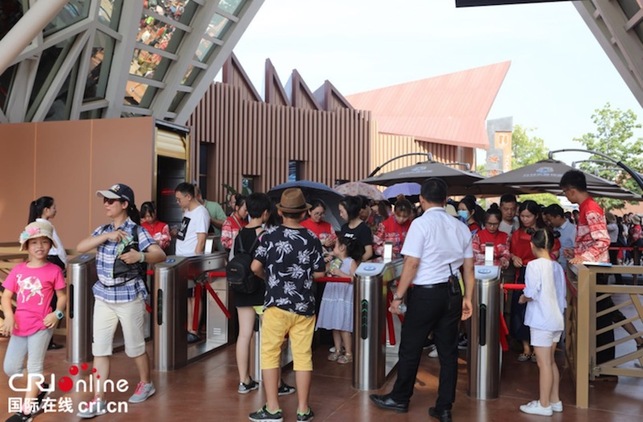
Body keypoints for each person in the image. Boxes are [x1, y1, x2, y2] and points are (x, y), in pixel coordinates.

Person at [369, 178, 474, 422]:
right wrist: (468, 297)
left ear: (423, 200)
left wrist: (398, 296)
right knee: (448, 352)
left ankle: (400, 397)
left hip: (426, 293)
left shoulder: (420, 224)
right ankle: (444, 407)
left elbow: (412, 263)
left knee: (411, 346)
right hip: (453, 292)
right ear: (445, 199)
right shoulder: (460, 226)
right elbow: (468, 268)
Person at [76, 183, 166, 418]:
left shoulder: (137, 230)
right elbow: (80, 247)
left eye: (111, 201)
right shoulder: (103, 229)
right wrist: (107, 235)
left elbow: (160, 254)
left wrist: (141, 255)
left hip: (129, 296)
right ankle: (98, 399)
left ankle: (146, 383)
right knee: (101, 349)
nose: (106, 204)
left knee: (135, 347)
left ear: (124, 204)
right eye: (105, 200)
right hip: (104, 296)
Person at [248, 188, 325, 422]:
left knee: (271, 355)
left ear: (280, 211)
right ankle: (303, 410)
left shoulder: (269, 236)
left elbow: (254, 267)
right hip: (304, 306)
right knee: (303, 356)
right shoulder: (312, 238)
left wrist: (270, 279)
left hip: (275, 305)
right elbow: (320, 273)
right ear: (304, 213)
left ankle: (273, 408)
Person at [561, 171, 643, 364]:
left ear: (572, 190)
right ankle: (617, 354)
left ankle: (605, 364)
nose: (565, 195)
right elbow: (592, 241)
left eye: (565, 192)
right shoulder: (586, 207)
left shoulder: (590, 208)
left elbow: (602, 241)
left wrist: (582, 257)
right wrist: (577, 254)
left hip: (595, 270)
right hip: (591, 268)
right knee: (605, 314)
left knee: (603, 317)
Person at [1, 221, 67, 422]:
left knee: (35, 366)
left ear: (50, 245)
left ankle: (26, 411)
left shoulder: (53, 271)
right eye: (34, 242)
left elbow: (62, 297)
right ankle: (40, 386)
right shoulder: (18, 270)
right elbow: (5, 296)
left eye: (44, 242)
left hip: (41, 326)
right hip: (20, 325)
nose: (39, 246)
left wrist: (56, 314)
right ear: (27, 246)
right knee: (10, 368)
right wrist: (9, 317)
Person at [518, 228, 566, 416]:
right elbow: (562, 294)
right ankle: (555, 400)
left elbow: (531, 292)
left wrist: (523, 298)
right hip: (556, 318)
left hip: (541, 319)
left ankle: (544, 405)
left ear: (532, 245)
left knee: (543, 363)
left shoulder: (534, 266)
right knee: (550, 361)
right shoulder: (557, 266)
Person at [510, 200, 560, 362]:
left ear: (536, 216)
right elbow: (511, 251)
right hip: (523, 272)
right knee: (520, 313)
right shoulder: (517, 234)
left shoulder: (544, 234)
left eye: (528, 216)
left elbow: (555, 251)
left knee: (537, 309)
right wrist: (513, 257)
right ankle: (526, 347)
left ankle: (538, 348)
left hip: (540, 271)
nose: (525, 219)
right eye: (522, 216)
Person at [317, 235, 365, 365]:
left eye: (336, 244)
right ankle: (338, 349)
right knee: (335, 324)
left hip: (343, 296)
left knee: (344, 325)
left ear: (343, 247)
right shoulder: (334, 261)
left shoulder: (351, 262)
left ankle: (348, 352)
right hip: (333, 294)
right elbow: (324, 271)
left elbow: (355, 279)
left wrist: (340, 274)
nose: (334, 247)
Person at [28, 196, 67, 350]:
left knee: (45, 302)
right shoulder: (45, 226)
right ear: (46, 210)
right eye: (53, 207)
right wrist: (63, 265)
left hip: (46, 264)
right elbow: (57, 248)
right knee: (51, 303)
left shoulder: (34, 225)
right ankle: (45, 339)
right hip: (51, 264)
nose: (55, 210)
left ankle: (42, 338)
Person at [174, 182, 211, 343]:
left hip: (191, 260)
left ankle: (194, 328)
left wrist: (196, 263)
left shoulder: (201, 213)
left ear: (188, 196)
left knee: (194, 296)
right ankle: (189, 327)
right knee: (188, 296)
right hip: (181, 259)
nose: (177, 202)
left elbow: (201, 240)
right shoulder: (187, 212)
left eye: (179, 198)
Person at [339, 195, 373, 261]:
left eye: (342, 211)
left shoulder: (364, 229)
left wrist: (355, 264)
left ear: (350, 210)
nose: (340, 214)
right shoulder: (344, 227)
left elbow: (369, 252)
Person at [542, 204, 576, 269]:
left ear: (558, 217)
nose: (549, 223)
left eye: (550, 220)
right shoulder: (554, 229)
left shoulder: (573, 230)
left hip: (568, 268)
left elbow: (579, 249)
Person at [194, 185, 227, 251]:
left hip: (216, 246)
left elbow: (225, 224)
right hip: (196, 246)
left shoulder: (214, 206)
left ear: (199, 196)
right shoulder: (189, 210)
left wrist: (210, 219)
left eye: (193, 198)